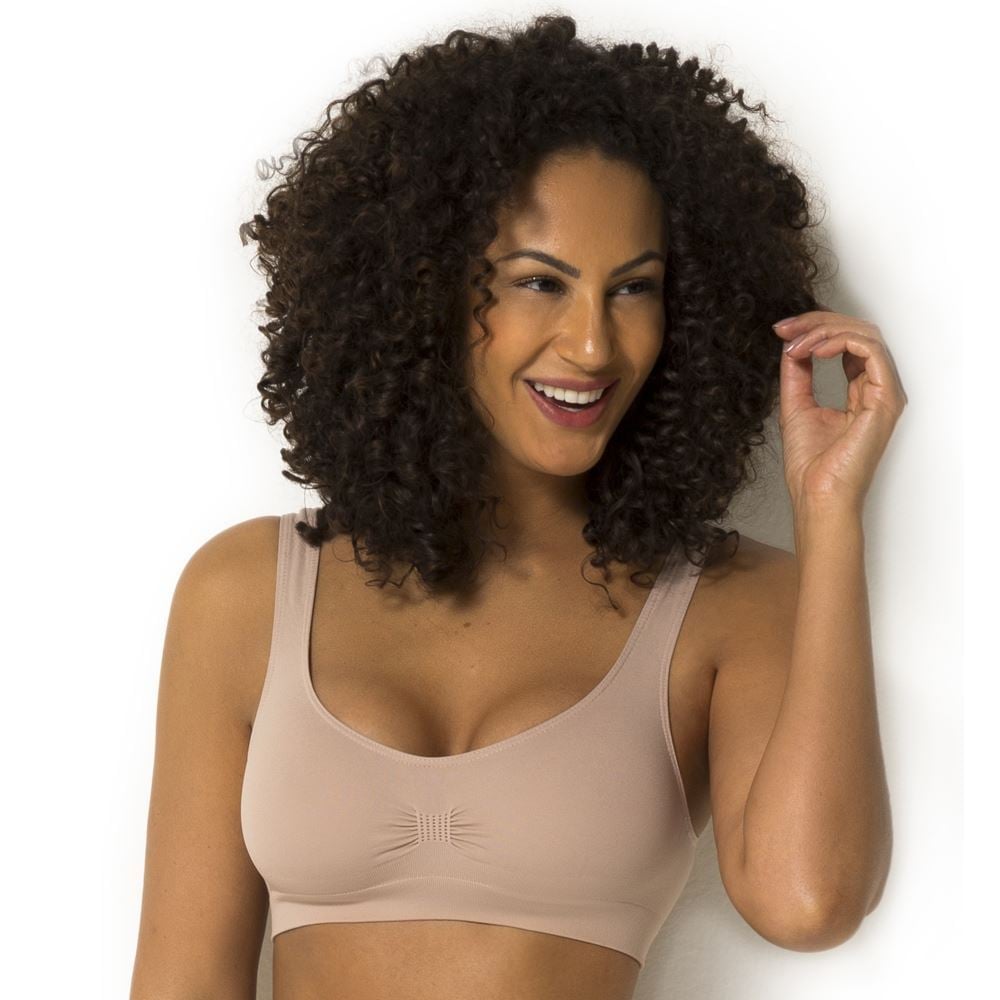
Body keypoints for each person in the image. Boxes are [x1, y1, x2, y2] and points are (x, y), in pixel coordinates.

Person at [129, 14, 903, 1000]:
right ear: (423, 288)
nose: (592, 344)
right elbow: (181, 981)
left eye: (634, 289)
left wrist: (828, 513)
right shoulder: (245, 592)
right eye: (540, 282)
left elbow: (808, 902)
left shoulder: (731, 601)